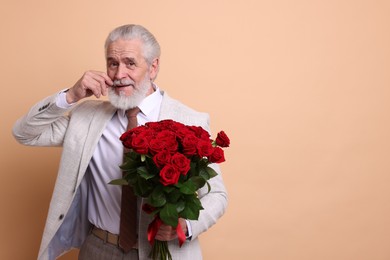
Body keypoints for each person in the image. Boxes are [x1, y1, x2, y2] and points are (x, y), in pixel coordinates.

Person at [12, 24, 228, 260]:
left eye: (130, 63)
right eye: (112, 63)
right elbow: (24, 133)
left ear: (153, 67)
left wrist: (185, 226)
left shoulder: (189, 120)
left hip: (164, 252)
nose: (118, 74)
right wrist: (70, 96)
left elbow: (217, 195)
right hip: (99, 247)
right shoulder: (86, 117)